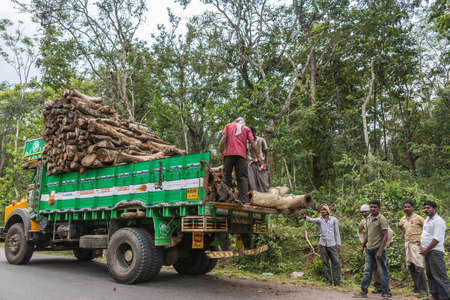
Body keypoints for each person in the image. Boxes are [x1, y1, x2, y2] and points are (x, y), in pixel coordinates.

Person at [353, 200, 391, 299]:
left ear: (379, 208)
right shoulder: (368, 219)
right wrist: (362, 246)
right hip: (369, 250)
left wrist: (380, 251)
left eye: (375, 207)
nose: (373, 209)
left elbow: (385, 236)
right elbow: (367, 234)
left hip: (378, 250)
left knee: (382, 272)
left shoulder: (382, 219)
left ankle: (386, 293)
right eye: (371, 207)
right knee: (367, 271)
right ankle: (363, 292)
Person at [218, 117, 261, 204]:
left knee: (227, 175)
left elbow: (224, 138)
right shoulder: (246, 129)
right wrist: (258, 156)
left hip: (228, 154)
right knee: (242, 177)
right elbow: (252, 142)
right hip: (241, 156)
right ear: (243, 123)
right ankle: (244, 199)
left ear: (235, 121)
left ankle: (223, 196)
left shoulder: (228, 126)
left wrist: (219, 150)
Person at [301, 204, 341, 286]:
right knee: (325, 263)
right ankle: (328, 281)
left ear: (328, 211)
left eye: (324, 210)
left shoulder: (334, 220)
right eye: (321, 210)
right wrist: (305, 216)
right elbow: (310, 220)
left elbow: (337, 233)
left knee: (335, 262)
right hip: (323, 244)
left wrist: (338, 244)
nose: (323, 211)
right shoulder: (319, 220)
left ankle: (337, 282)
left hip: (332, 244)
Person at [420, 200, 449, 300]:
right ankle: (435, 296)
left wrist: (426, 250)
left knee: (440, 275)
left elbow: (436, 239)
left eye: (428, 208)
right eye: (425, 208)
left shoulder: (439, 221)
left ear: (434, 209)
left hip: (435, 252)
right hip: (427, 252)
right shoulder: (427, 219)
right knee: (431, 275)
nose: (426, 210)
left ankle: (445, 296)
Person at [398, 200, 428, 298]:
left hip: (416, 245)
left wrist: (423, 240)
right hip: (407, 244)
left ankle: (424, 291)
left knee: (419, 267)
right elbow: (399, 226)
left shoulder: (418, 218)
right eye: (405, 207)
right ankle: (417, 287)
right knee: (411, 265)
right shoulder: (403, 219)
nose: (406, 208)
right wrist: (402, 234)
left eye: (408, 207)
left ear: (413, 208)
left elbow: (427, 228)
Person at [358, 204, 382, 294]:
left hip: (379, 247)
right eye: (362, 212)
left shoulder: (378, 219)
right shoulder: (363, 222)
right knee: (368, 269)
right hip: (369, 248)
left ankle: (380, 287)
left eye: (366, 211)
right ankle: (364, 290)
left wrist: (383, 246)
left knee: (379, 269)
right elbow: (360, 231)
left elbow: (387, 233)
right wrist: (363, 243)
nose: (364, 213)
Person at [247, 126, 269, 192]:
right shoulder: (246, 142)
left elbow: (266, 152)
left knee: (264, 182)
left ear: (255, 132)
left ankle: (266, 195)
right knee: (252, 182)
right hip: (251, 163)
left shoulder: (261, 140)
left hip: (261, 163)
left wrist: (266, 163)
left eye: (252, 133)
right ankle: (255, 195)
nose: (251, 135)